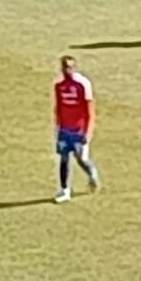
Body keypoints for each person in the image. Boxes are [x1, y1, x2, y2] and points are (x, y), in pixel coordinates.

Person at [52, 55, 100, 203]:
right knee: (63, 159)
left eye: (71, 67)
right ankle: (65, 190)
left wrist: (88, 131)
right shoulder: (59, 85)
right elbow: (58, 108)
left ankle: (92, 173)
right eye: (65, 67)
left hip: (79, 129)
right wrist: (58, 127)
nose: (68, 70)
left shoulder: (83, 84)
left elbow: (90, 110)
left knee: (81, 158)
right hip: (64, 129)